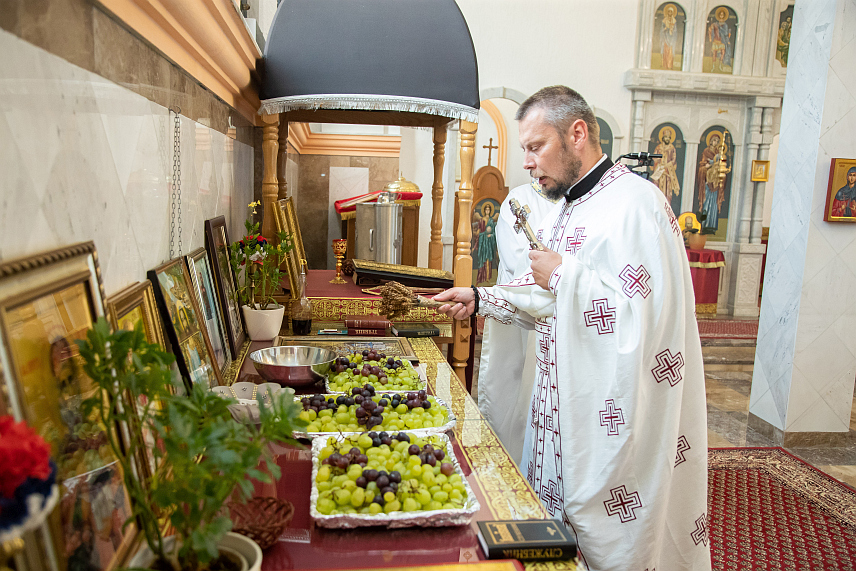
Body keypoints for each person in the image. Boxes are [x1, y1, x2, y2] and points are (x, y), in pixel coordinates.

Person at [434, 86, 710, 571]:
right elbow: (550, 303)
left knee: (609, 545)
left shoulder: (636, 206)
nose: (527, 162)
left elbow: (644, 325)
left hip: (608, 418)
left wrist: (564, 275)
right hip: (558, 412)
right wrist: (480, 298)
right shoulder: (570, 206)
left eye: (536, 146)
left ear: (576, 134)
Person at [477, 181, 558, 464]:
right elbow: (516, 264)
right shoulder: (519, 199)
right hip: (524, 313)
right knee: (517, 396)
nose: (529, 163)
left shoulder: (581, 202)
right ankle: (507, 465)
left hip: (562, 314)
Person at [697, 131, 727, 233]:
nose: (715, 143)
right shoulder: (706, 152)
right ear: (710, 141)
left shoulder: (719, 153)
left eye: (717, 141)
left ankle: (712, 225)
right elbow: (702, 166)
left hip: (716, 184)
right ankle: (704, 225)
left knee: (714, 204)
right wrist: (709, 166)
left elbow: (723, 167)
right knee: (706, 202)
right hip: (707, 183)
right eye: (714, 140)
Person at [651, 126, 681, 201]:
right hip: (659, 172)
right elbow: (654, 158)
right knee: (657, 190)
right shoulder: (658, 147)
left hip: (668, 173)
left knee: (667, 191)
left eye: (669, 137)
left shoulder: (672, 148)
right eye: (666, 137)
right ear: (663, 138)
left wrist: (666, 166)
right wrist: (658, 164)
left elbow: (673, 160)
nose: (667, 139)